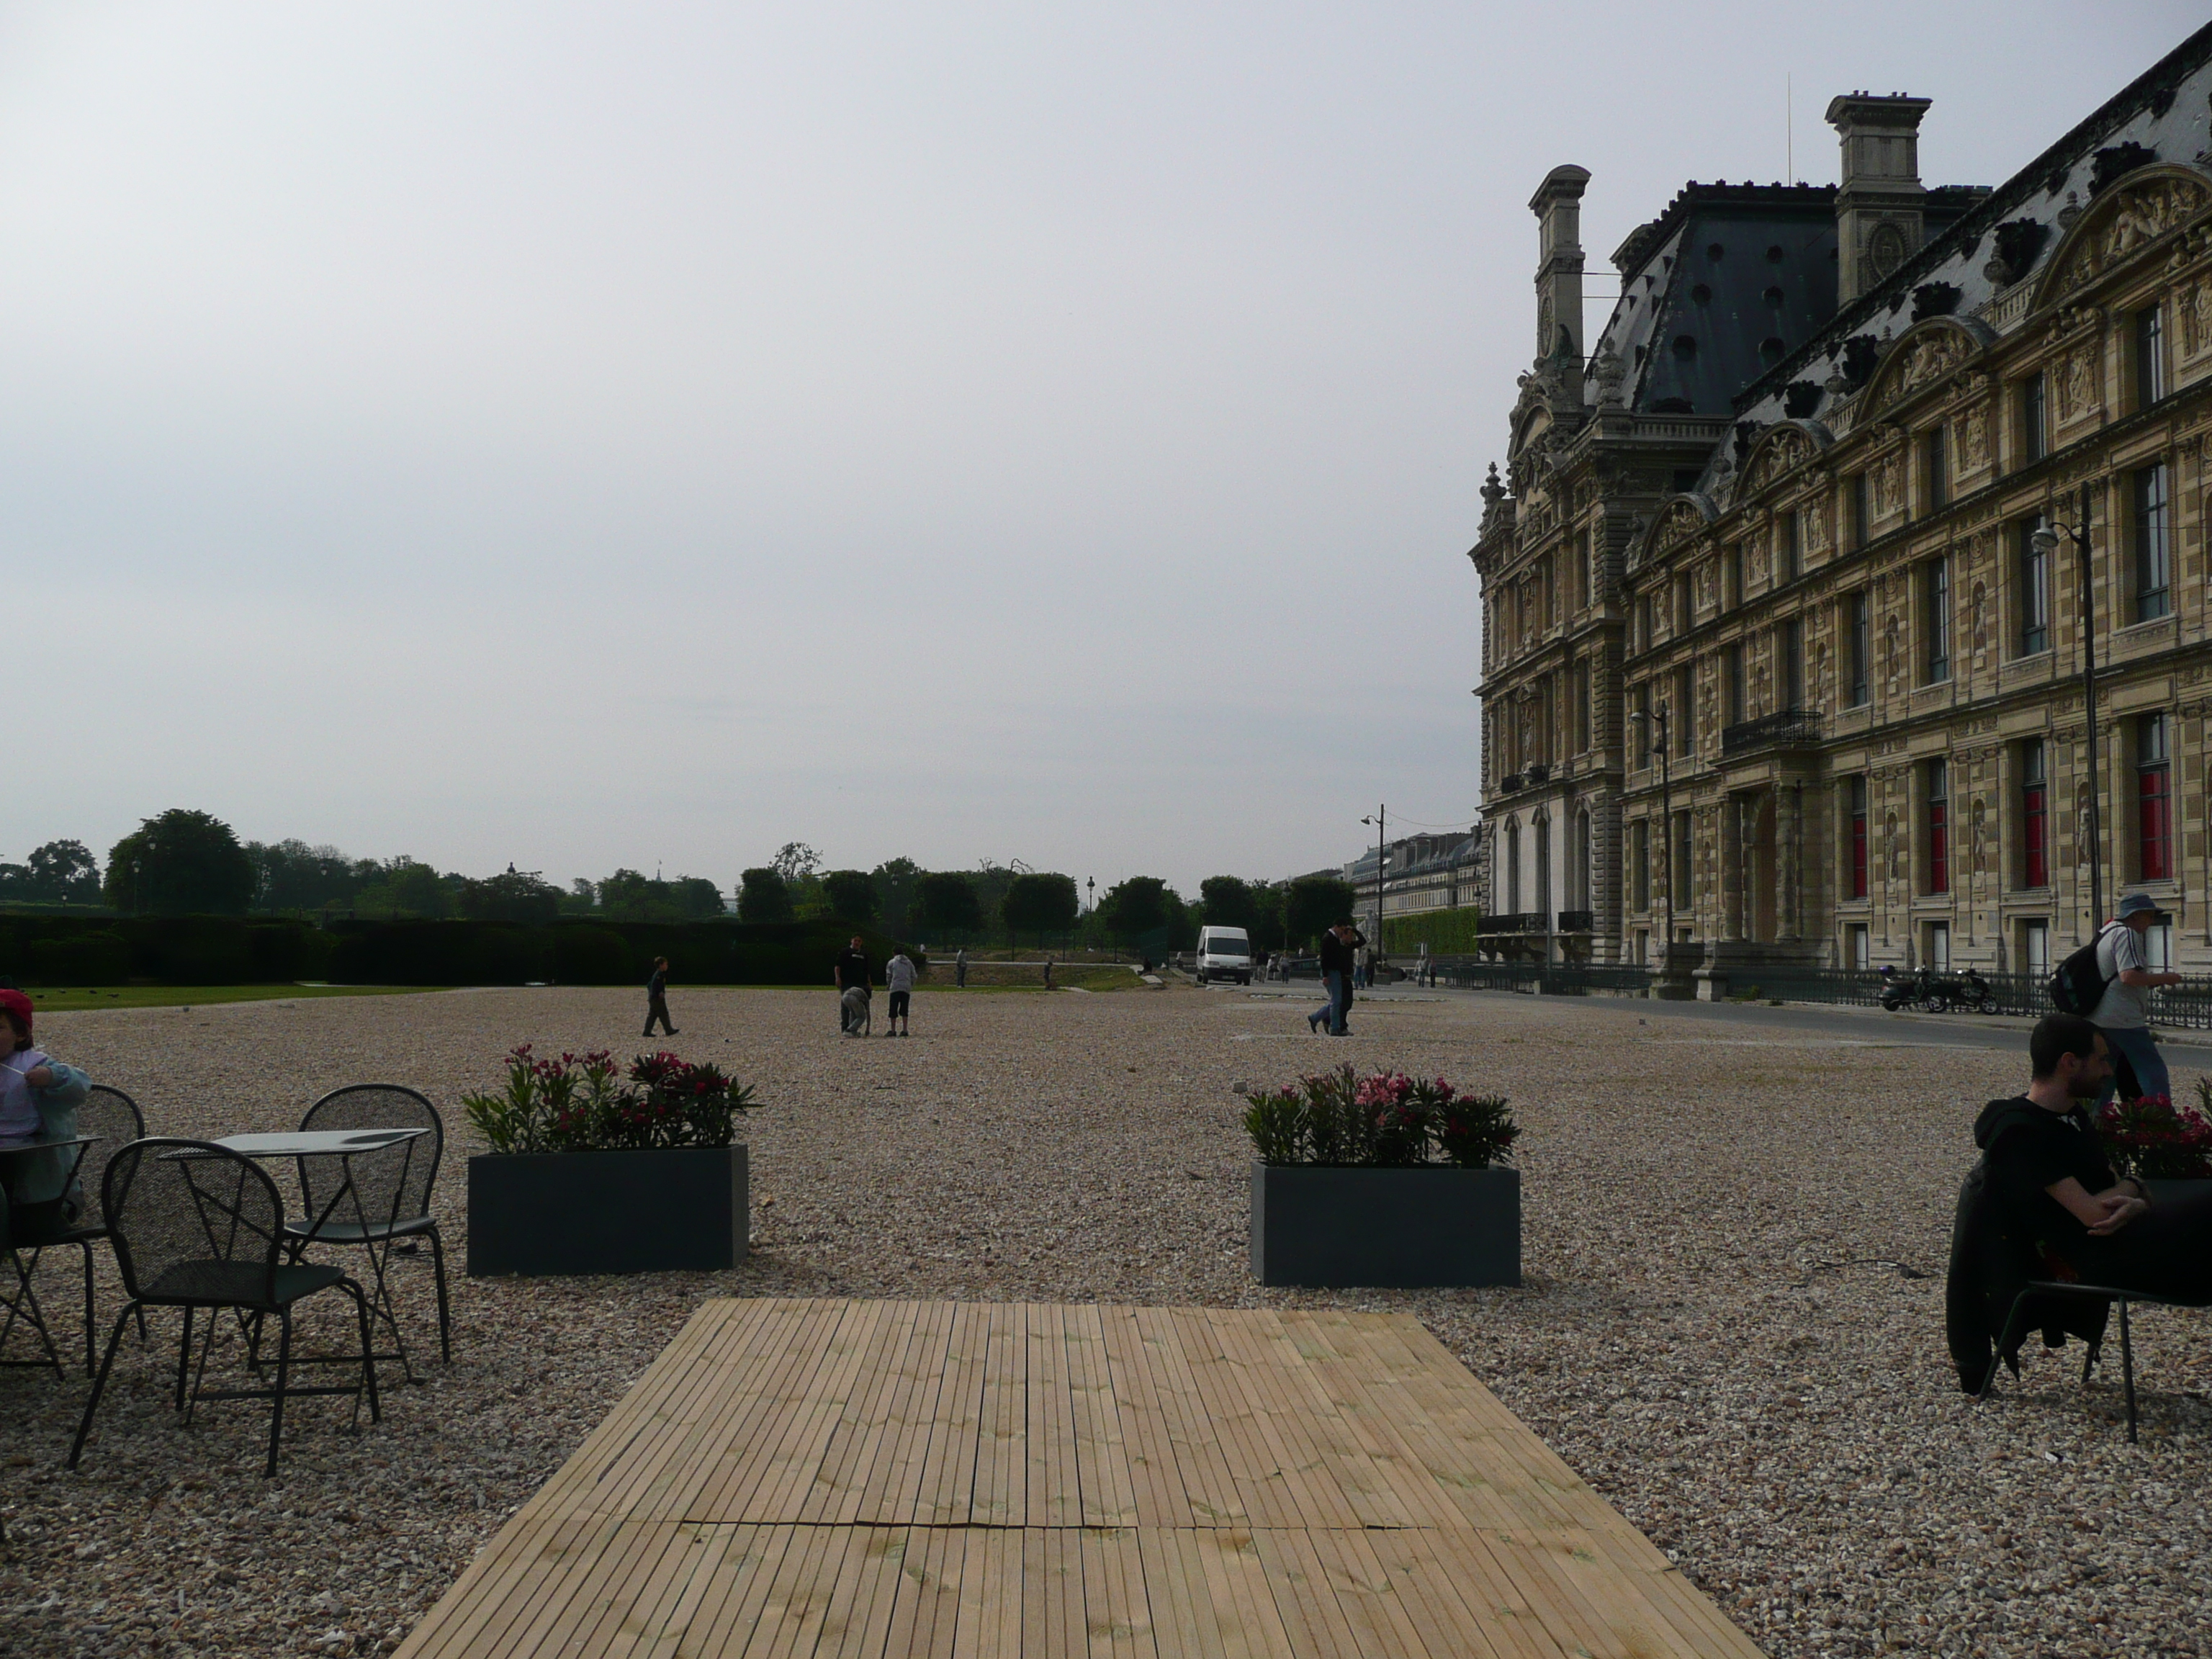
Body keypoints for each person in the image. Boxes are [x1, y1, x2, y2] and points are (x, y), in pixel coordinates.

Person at [1972, 1012, 2212, 1304]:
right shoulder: (2019, 1132)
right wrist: (2135, 1188)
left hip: (2124, 1241)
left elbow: (2112, 1184)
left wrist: (2133, 1195)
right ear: (2070, 1063)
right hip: (2093, 1261)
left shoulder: (2071, 1115)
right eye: (2101, 1060)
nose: (2110, 1071)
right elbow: (2096, 1215)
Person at [0, 988, 92, 1230]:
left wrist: (52, 1077)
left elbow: (80, 1087)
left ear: (20, 1034)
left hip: (41, 1198)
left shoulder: (36, 1065)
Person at [2087, 894, 2183, 1103]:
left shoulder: (2106, 932)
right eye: (2149, 916)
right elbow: (2128, 976)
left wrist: (2151, 981)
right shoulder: (2126, 934)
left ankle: (2096, 1119)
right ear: (2136, 915)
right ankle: (2160, 1117)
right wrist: (2167, 977)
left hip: (2101, 1014)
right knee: (2151, 1067)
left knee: (2107, 1069)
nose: (2152, 922)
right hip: (2123, 1016)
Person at [1308, 920, 1364, 1037]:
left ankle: (1317, 1018)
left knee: (1337, 1002)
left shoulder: (1335, 940)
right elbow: (1324, 958)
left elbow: (1362, 941)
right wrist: (1325, 975)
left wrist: (1354, 930)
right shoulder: (1329, 939)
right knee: (1337, 1002)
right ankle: (1334, 1027)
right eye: (1343, 930)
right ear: (1337, 927)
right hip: (1333, 973)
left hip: (1337, 973)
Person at [834, 935, 871, 1035]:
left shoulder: (864, 954)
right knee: (846, 1005)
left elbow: (867, 970)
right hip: (847, 982)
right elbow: (838, 966)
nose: (857, 943)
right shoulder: (845, 952)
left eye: (859, 941)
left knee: (857, 1007)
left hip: (860, 983)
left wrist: (869, 983)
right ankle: (845, 1027)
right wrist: (838, 978)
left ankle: (852, 1028)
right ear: (851, 941)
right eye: (855, 940)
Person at [884, 948, 917, 1036]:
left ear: (894, 953)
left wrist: (889, 984)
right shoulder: (909, 963)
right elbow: (914, 975)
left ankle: (893, 1030)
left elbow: (889, 975)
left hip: (895, 987)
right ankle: (905, 1030)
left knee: (893, 1008)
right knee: (904, 1009)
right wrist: (910, 984)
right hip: (906, 987)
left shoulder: (892, 962)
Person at [643, 956, 678, 1038]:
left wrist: (651, 993)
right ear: (661, 965)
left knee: (652, 1015)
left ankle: (647, 1032)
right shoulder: (660, 975)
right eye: (665, 964)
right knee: (663, 1013)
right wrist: (659, 993)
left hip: (653, 998)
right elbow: (657, 986)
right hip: (657, 998)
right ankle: (669, 1030)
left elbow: (649, 985)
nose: (667, 966)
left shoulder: (656, 974)